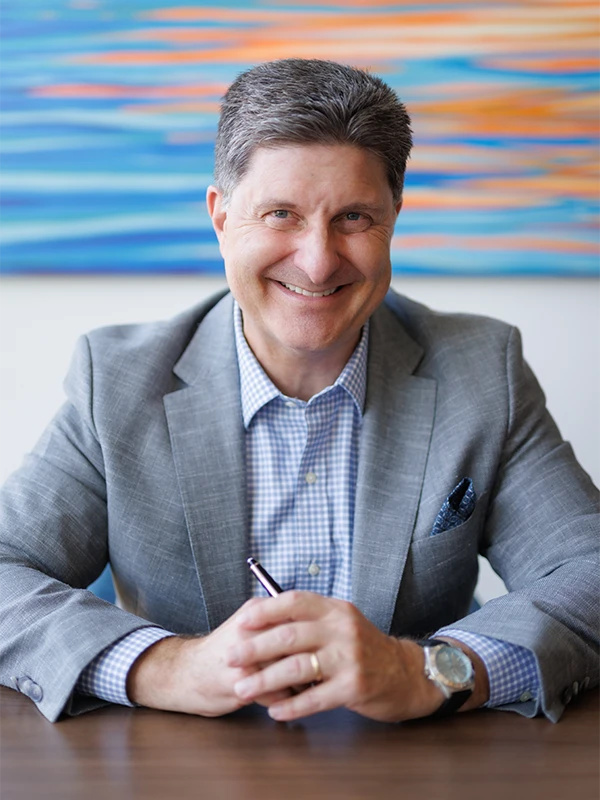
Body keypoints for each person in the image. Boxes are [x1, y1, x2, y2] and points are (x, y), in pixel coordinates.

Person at [0, 58, 598, 725]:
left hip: (421, 766)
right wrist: (164, 665)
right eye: (281, 214)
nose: (317, 261)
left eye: (353, 218)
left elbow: (590, 570)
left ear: (395, 217)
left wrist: (428, 671)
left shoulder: (482, 370)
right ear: (222, 218)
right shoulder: (115, 381)